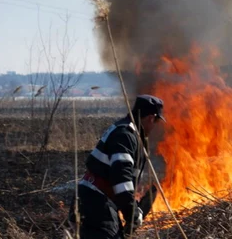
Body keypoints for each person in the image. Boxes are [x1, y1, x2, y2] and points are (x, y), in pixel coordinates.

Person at [68, 94, 165, 238]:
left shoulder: (126, 131)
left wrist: (131, 208)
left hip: (94, 201)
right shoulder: (125, 135)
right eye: (156, 121)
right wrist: (131, 213)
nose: (154, 126)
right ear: (151, 117)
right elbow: (121, 178)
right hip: (96, 203)